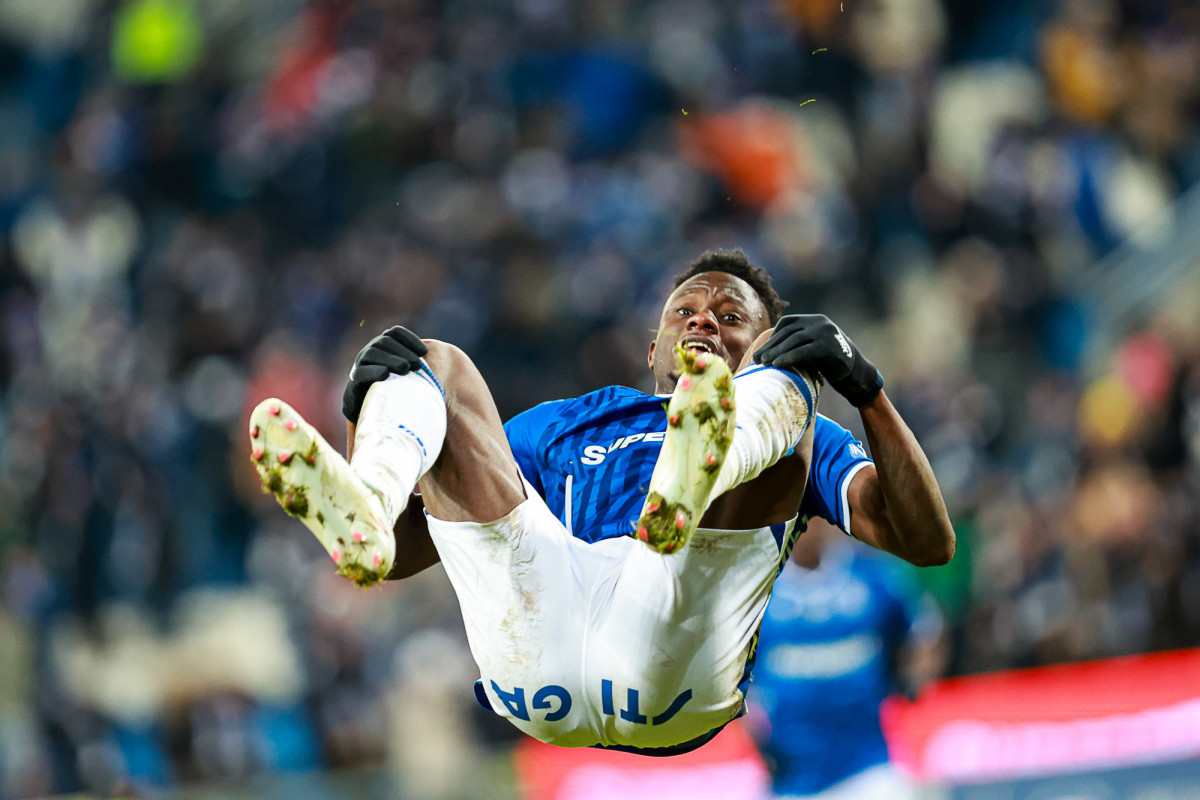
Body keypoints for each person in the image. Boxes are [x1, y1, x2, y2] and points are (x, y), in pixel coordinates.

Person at [248, 248, 954, 755]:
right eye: (686, 311)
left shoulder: (807, 434)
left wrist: (866, 390)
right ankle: (371, 490)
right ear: (654, 349)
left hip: (668, 654)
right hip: (543, 639)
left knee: (793, 387)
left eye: (731, 316)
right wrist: (362, 415)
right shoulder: (561, 423)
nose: (704, 322)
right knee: (434, 364)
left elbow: (927, 542)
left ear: (759, 339)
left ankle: (705, 467)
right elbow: (406, 556)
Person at [750, 518, 946, 799]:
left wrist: (913, 679)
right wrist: (755, 730)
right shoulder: (756, 592)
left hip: (867, 767)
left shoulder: (870, 575)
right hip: (792, 777)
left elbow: (925, 629)